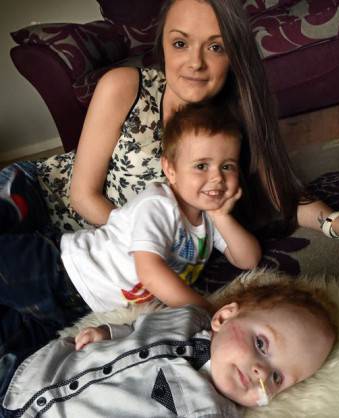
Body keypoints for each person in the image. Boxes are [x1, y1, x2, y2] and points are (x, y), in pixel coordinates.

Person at [0, 0, 339, 259]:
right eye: (180, 44)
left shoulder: (234, 122)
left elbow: (280, 195)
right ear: (162, 45)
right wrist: (153, 247)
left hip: (83, 255)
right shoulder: (124, 86)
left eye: (215, 47)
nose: (195, 62)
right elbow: (82, 196)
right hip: (37, 196)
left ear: (234, 55)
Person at [0, 101, 261, 367]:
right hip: (60, 267)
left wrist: (222, 215)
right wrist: (206, 311)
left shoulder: (208, 220)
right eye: (202, 166)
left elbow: (248, 259)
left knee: (14, 344)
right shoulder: (159, 204)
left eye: (227, 166)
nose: (217, 178)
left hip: (78, 307)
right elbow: (150, 271)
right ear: (170, 170)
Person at [0, 280, 337, 417]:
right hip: (29, 374)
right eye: (261, 344)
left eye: (277, 377)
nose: (261, 372)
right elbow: (137, 327)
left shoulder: (209, 411)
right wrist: (107, 331)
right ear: (223, 317)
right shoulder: (186, 318)